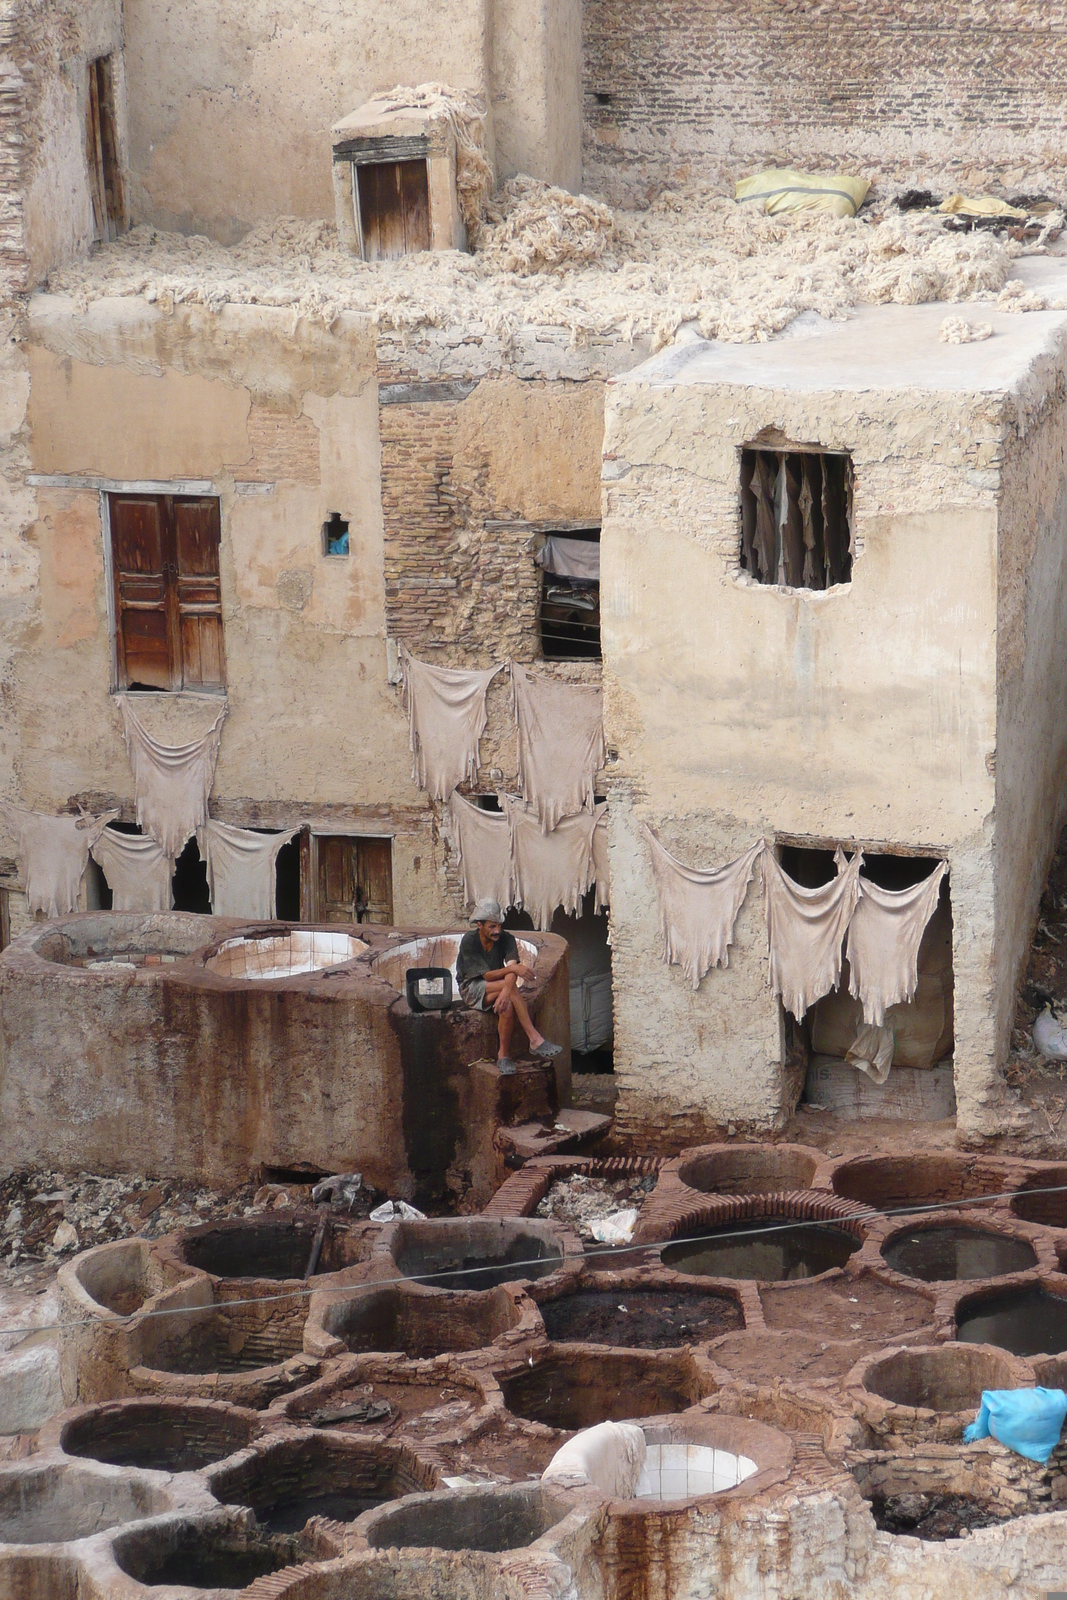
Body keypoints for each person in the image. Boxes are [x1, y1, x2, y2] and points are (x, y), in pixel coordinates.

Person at [455, 899, 563, 1076]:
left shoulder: (507, 939)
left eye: (498, 925)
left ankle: (503, 1056)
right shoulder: (469, 941)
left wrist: (506, 990)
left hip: (496, 988)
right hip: (471, 989)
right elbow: (487, 976)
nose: (497, 930)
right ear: (480, 925)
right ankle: (534, 1038)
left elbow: (511, 973)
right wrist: (512, 970)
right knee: (510, 989)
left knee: (507, 1005)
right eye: (492, 926)